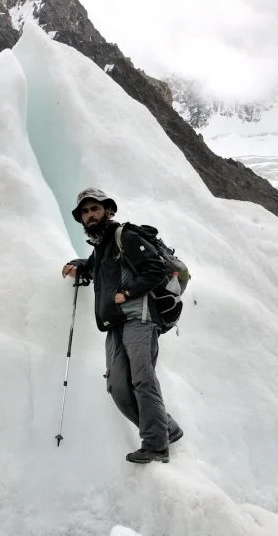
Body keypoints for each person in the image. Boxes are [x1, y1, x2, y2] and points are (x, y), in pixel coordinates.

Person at [62, 188, 183, 463]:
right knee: (117, 386)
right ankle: (169, 429)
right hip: (115, 322)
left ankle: (155, 444)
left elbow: (155, 267)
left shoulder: (125, 236)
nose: (91, 215)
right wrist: (77, 265)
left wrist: (128, 293)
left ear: (108, 210)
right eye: (85, 212)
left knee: (142, 379)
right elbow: (96, 269)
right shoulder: (103, 245)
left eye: (95, 209)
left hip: (139, 317)